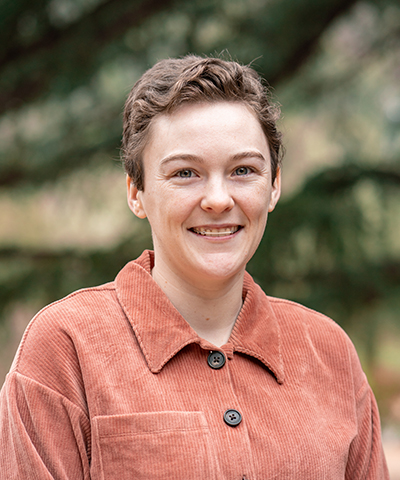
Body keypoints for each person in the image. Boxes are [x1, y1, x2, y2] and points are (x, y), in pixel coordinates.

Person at [0, 55, 389, 479]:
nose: (218, 200)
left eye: (243, 170)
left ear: (274, 185)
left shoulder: (329, 351)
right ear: (136, 192)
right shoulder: (65, 347)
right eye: (186, 173)